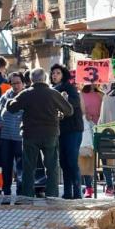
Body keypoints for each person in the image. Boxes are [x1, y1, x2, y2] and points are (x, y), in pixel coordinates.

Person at [8, 68, 73, 199]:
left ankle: (27, 196)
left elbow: (11, 108)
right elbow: (69, 111)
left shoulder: (26, 94)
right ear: (45, 78)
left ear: (31, 80)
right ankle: (52, 196)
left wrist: (12, 98)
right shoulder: (53, 93)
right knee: (52, 167)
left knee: (28, 168)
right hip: (50, 134)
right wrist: (64, 100)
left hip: (30, 135)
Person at [50, 64, 85, 199]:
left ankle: (77, 193)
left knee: (71, 161)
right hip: (60, 131)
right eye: (53, 73)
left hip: (74, 129)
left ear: (63, 74)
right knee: (63, 162)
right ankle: (67, 192)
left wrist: (62, 100)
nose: (55, 75)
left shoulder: (69, 88)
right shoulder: (52, 90)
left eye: (58, 73)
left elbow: (74, 103)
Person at [0, 71, 29, 203]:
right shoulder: (5, 96)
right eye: (13, 83)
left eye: (18, 83)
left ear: (23, 83)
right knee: (6, 167)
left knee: (21, 167)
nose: (15, 86)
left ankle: (20, 194)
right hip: (6, 137)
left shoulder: (27, 96)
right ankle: (7, 193)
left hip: (20, 138)